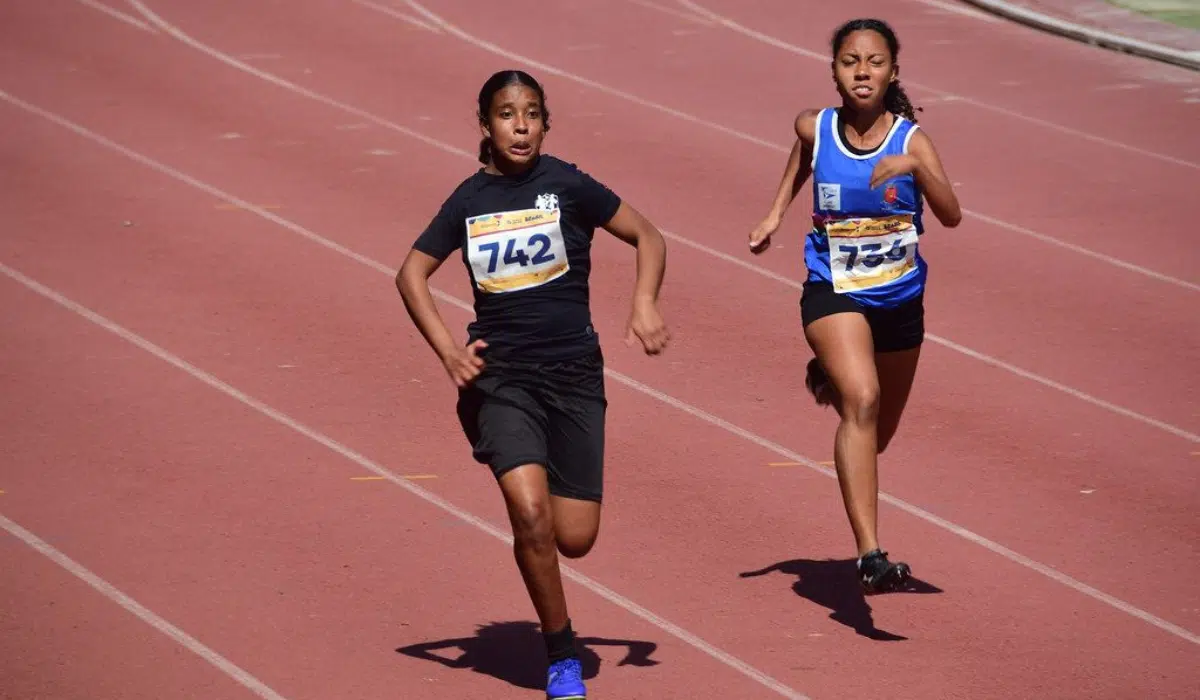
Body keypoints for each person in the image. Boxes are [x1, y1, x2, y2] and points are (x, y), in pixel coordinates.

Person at [395, 69, 669, 699]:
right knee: (530, 514)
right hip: (503, 380)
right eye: (507, 115)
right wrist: (448, 353)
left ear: (546, 123)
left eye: (532, 114)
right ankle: (561, 653)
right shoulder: (468, 201)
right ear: (485, 125)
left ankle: (559, 615)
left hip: (574, 376)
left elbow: (649, 235)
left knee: (574, 538)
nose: (520, 126)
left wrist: (644, 301)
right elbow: (411, 274)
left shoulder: (567, 185)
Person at [745, 18, 962, 594]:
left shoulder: (911, 140)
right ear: (834, 71)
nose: (862, 71)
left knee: (874, 433)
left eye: (874, 62)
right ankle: (870, 555)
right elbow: (802, 155)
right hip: (832, 288)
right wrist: (774, 214)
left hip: (900, 298)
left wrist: (917, 168)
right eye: (850, 61)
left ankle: (832, 375)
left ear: (893, 72)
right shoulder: (816, 127)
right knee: (862, 399)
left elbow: (951, 214)